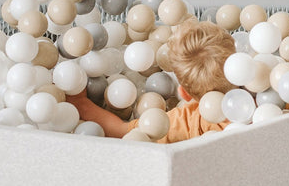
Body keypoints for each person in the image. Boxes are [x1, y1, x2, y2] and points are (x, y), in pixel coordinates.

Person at [68, 19, 235, 142]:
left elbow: (121, 130)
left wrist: (80, 101)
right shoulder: (258, 93)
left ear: (184, 92)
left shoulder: (189, 121)